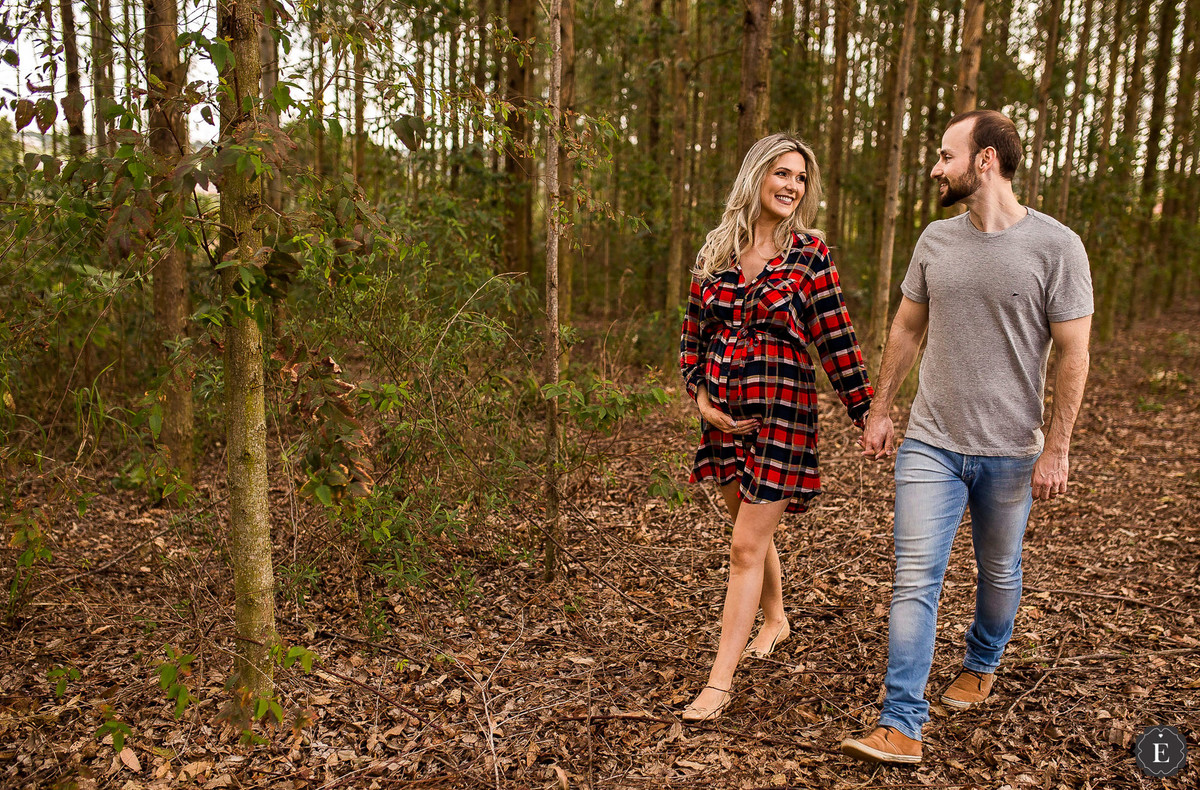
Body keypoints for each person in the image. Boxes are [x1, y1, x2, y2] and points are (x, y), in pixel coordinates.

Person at [840, 110, 1093, 764]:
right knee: (914, 577)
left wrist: (1058, 448)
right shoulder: (935, 240)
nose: (935, 166)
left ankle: (982, 662)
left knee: (1000, 571)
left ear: (984, 160)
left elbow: (1074, 354)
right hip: (931, 443)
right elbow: (904, 328)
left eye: (945, 154)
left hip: (1011, 453)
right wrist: (881, 409)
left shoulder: (1057, 247)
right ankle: (901, 722)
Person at [678, 133, 873, 722]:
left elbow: (835, 339)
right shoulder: (716, 252)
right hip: (724, 424)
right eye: (783, 173)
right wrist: (702, 400)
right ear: (756, 176)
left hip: (784, 417)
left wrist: (868, 414)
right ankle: (776, 618)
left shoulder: (809, 255)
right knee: (750, 531)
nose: (792, 186)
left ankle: (718, 684)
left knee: (743, 545)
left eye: (801, 179)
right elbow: (693, 339)